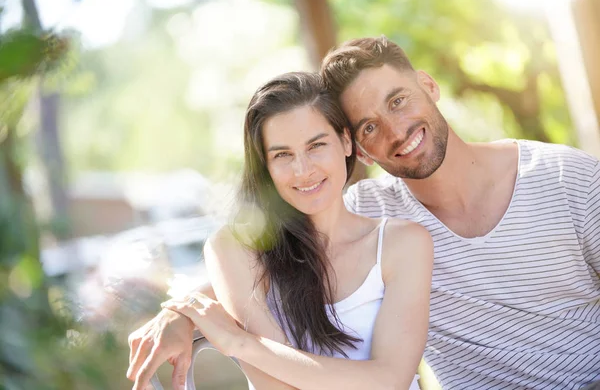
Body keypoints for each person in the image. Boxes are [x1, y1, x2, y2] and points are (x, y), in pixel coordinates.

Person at [129, 36, 600, 389]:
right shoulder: (370, 211)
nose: (396, 130)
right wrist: (178, 315)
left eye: (398, 100)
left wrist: (228, 335)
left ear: (429, 86)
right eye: (371, 125)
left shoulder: (566, 179)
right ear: (361, 149)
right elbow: (266, 262)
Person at [127, 72, 433, 390]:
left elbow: (390, 380)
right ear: (265, 166)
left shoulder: (403, 243)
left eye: (316, 146)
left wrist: (239, 342)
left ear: (345, 141)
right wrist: (185, 313)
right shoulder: (234, 250)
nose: (303, 170)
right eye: (282, 155)